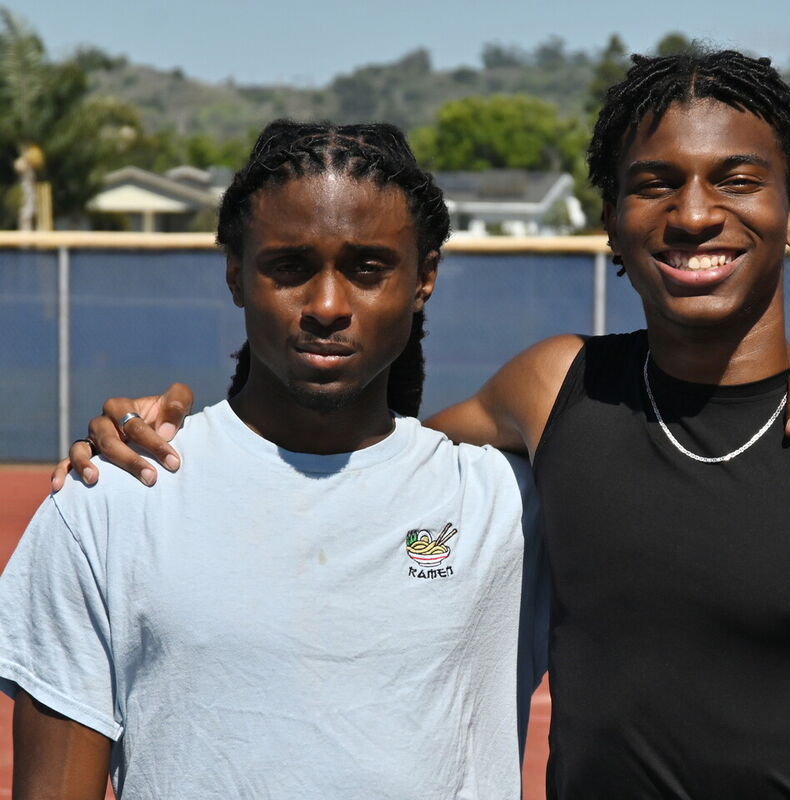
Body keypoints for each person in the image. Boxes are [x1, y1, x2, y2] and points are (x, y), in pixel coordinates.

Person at [57, 55, 790, 797]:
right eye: (654, 182)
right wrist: (174, 424)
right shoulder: (555, 393)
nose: (692, 213)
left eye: (736, 178)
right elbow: (374, 459)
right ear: (611, 220)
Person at [0, 121, 548, 798]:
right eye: (290, 267)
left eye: (367, 268)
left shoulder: (511, 508)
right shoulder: (109, 498)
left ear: (424, 278)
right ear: (235, 273)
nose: (326, 305)